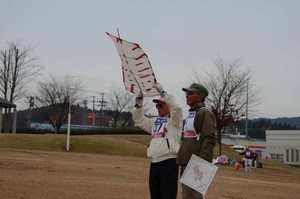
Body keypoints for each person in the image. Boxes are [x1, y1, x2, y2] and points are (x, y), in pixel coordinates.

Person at [131, 82, 183, 199]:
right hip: (154, 163)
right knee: (155, 195)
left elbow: (177, 108)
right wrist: (138, 105)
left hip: (169, 162)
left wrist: (163, 93)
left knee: (168, 195)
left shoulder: (175, 122)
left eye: (161, 106)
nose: (158, 108)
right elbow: (139, 121)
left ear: (169, 106)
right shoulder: (155, 122)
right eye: (156, 106)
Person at [177, 83, 216, 199]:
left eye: (190, 93)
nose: (187, 96)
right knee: (188, 196)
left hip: (196, 165)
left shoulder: (204, 112)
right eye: (186, 93)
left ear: (200, 96)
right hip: (187, 162)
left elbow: (209, 138)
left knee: (194, 197)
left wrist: (201, 163)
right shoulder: (192, 114)